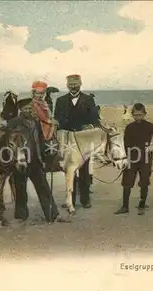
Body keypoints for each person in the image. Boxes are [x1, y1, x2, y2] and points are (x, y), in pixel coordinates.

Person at [54, 74, 100, 208]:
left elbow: (94, 119)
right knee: (70, 169)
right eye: (71, 84)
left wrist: (90, 126)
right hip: (67, 140)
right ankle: (71, 200)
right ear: (67, 85)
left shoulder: (89, 99)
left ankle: (85, 200)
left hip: (84, 140)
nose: (73, 86)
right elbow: (57, 118)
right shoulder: (61, 100)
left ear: (80, 84)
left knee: (84, 170)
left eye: (76, 84)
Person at [115, 103, 153, 215]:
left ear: (144, 114)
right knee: (127, 183)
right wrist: (125, 158)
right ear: (132, 115)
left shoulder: (150, 126)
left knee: (144, 182)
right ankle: (125, 206)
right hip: (131, 158)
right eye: (135, 115)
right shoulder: (129, 127)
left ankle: (142, 205)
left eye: (140, 115)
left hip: (145, 159)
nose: (138, 117)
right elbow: (125, 144)